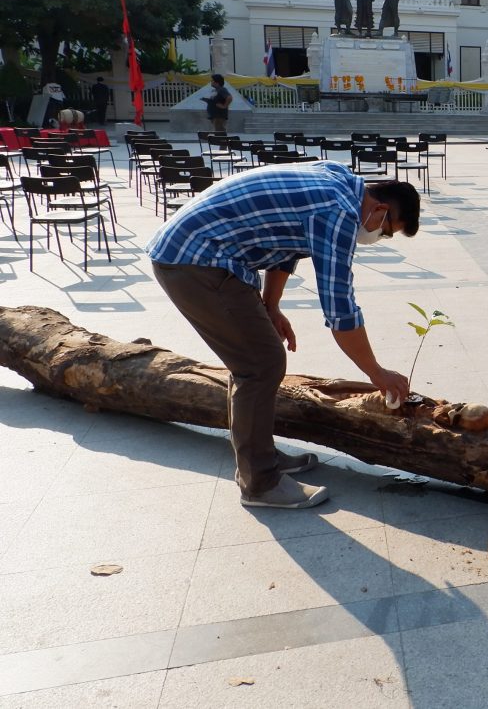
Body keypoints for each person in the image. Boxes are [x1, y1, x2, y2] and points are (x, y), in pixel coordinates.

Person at [146, 162, 421, 509]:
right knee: (260, 364)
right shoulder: (338, 212)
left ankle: (260, 457)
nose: (379, 237)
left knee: (257, 358)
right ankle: (260, 483)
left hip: (200, 251)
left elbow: (288, 245)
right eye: (387, 232)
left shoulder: (338, 178)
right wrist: (376, 372)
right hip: (196, 259)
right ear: (380, 209)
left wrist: (271, 305)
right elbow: (340, 308)